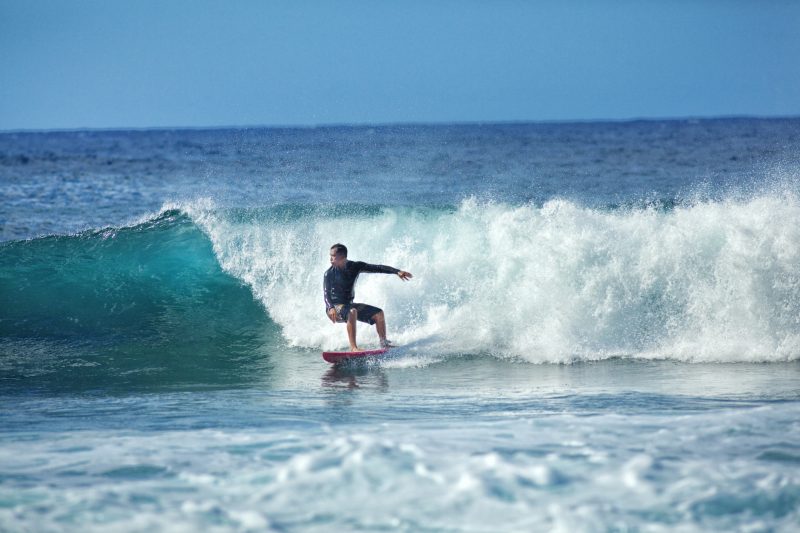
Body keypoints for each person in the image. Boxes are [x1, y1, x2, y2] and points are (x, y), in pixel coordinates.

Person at [323, 243, 412, 351]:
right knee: (352, 312)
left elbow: (377, 268)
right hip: (334, 308)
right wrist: (330, 307)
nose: (330, 259)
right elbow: (326, 293)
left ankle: (384, 343)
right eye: (330, 256)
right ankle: (354, 348)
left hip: (348, 306)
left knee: (378, 314)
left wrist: (396, 271)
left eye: (333, 257)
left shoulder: (355, 267)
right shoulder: (329, 273)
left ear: (342, 257)